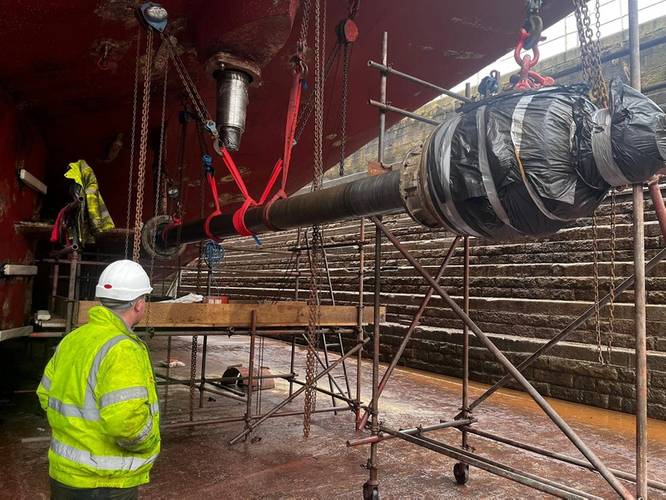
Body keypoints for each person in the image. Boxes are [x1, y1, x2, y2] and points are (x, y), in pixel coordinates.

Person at [37, 260, 160, 499]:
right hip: (105, 482)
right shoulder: (123, 349)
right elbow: (127, 425)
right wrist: (151, 442)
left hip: (64, 475)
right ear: (139, 304)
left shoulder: (74, 339)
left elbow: (45, 394)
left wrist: (75, 430)